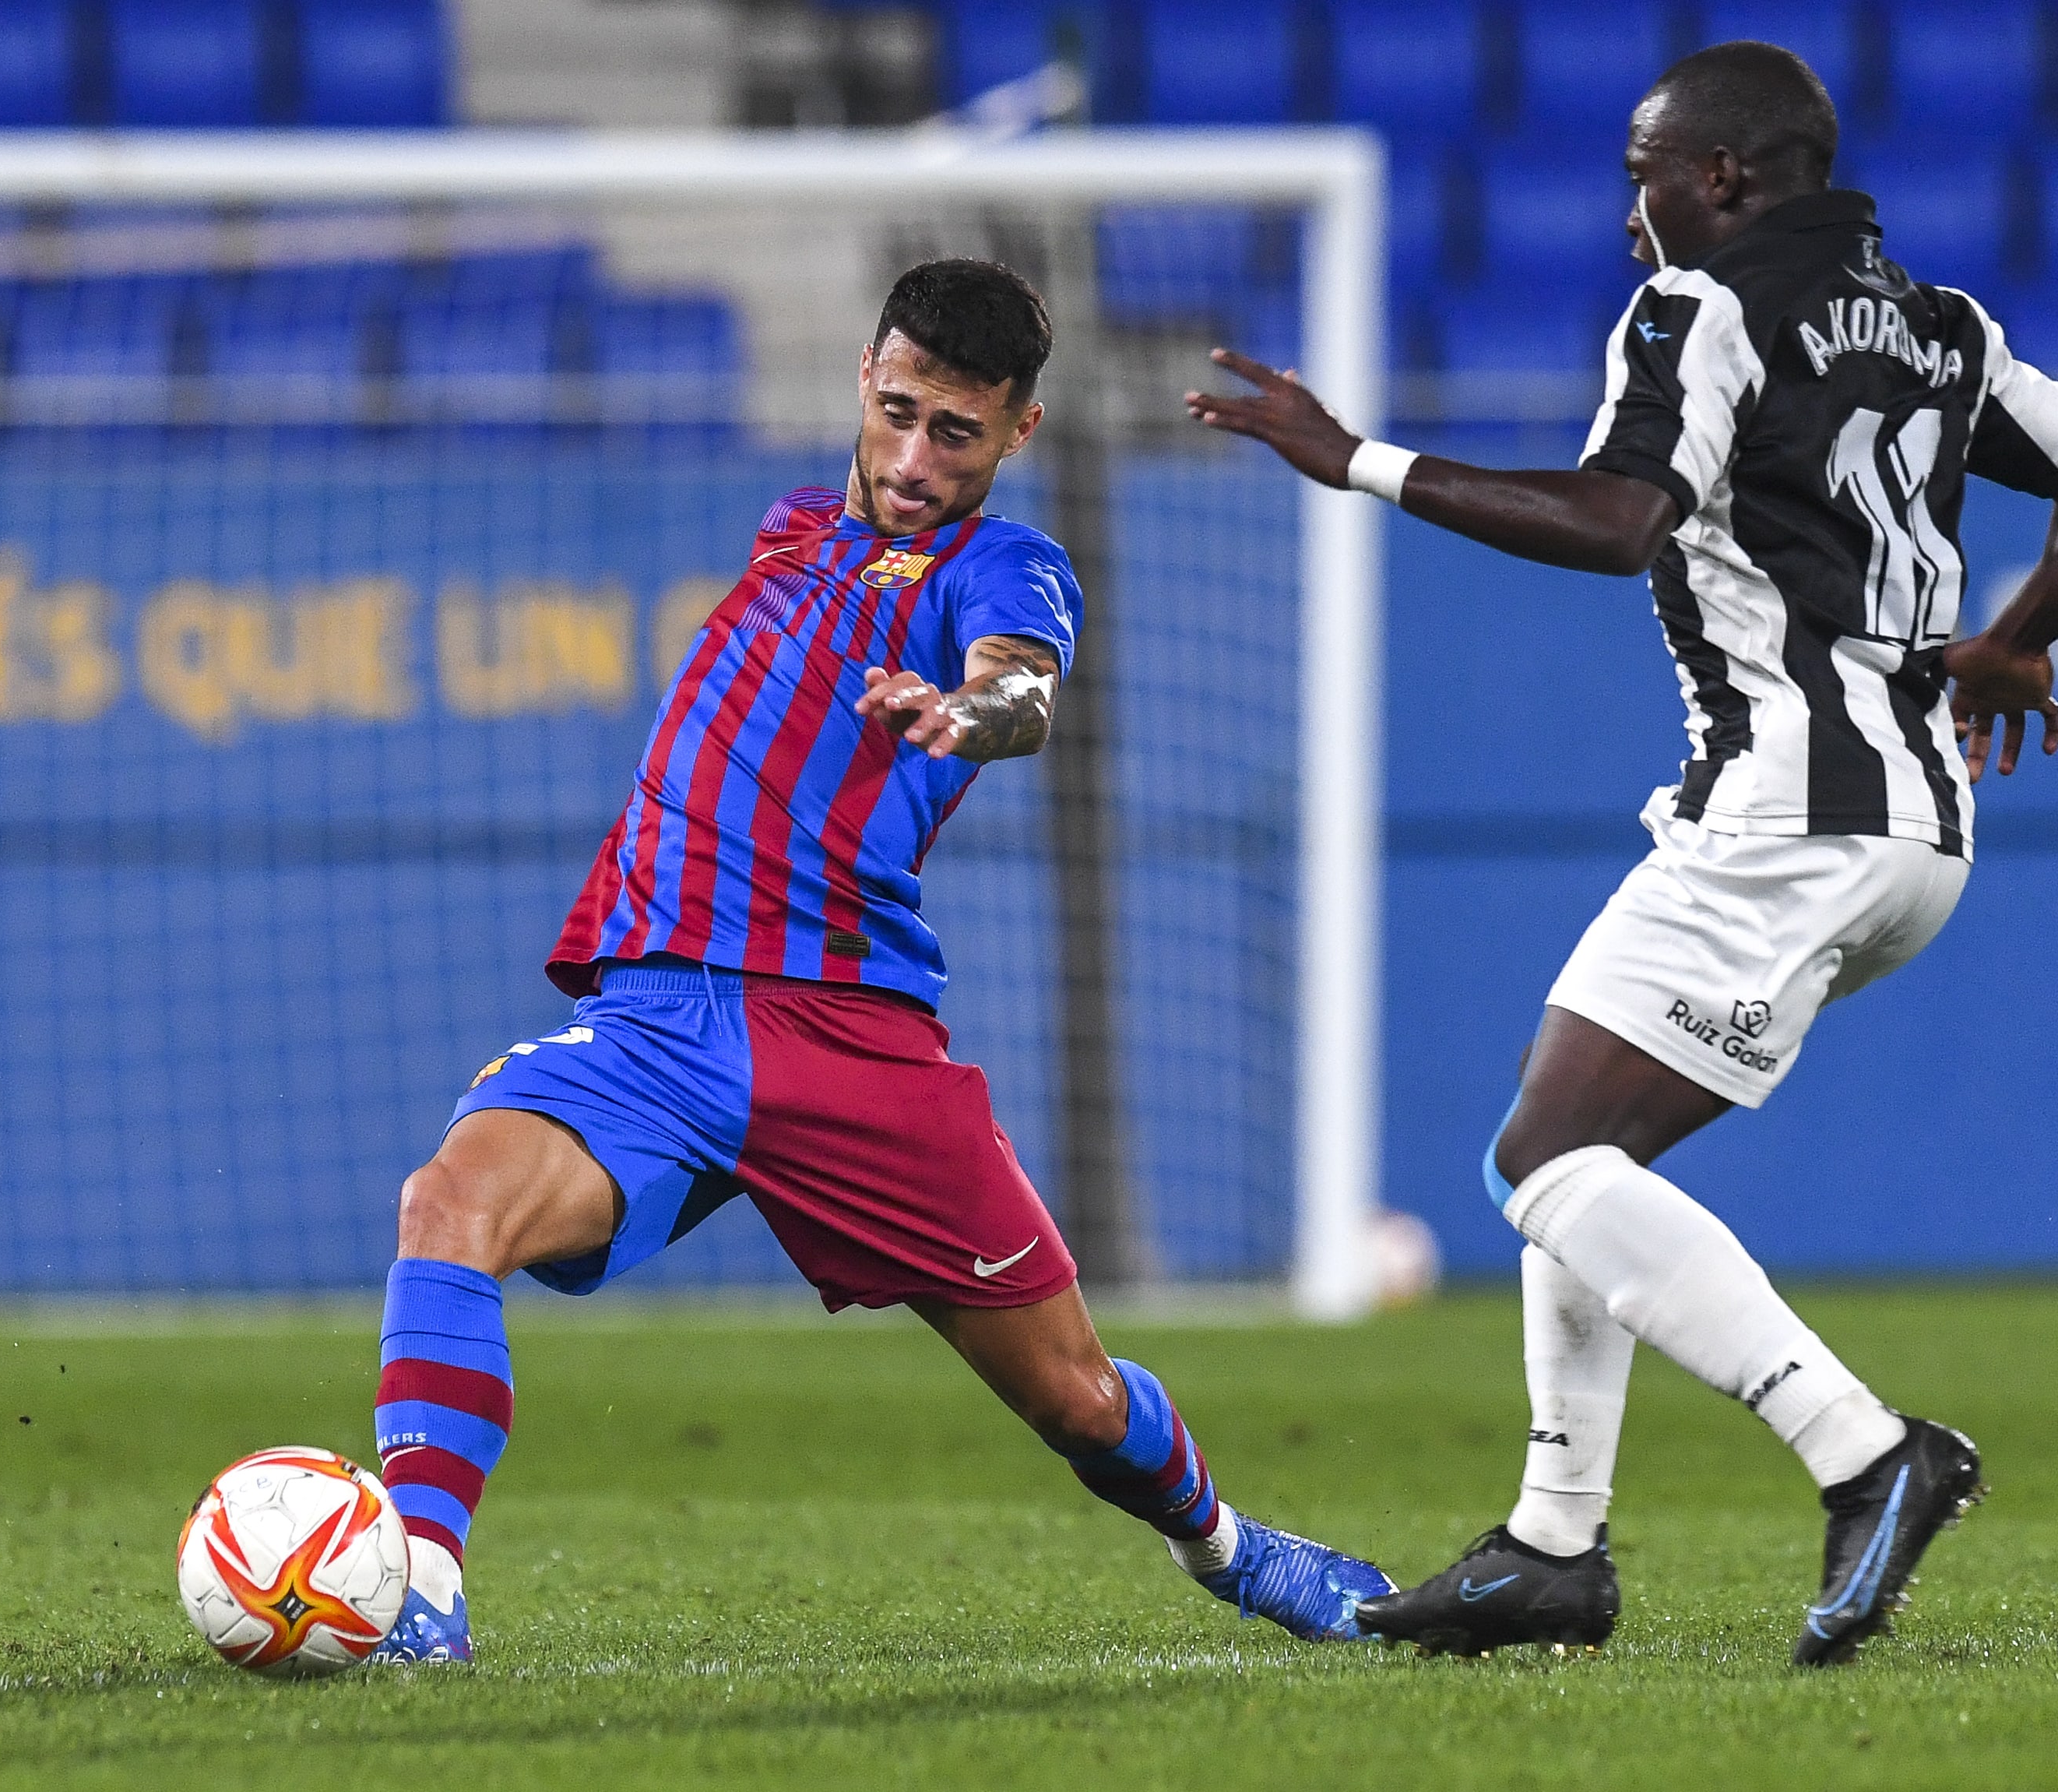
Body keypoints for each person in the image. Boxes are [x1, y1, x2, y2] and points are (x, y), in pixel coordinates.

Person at [1189, 41, 2058, 1666]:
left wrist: (1348, 455)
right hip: (1915, 825)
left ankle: (1861, 1450)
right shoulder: (1938, 327)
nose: (1629, 208)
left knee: (1539, 1164)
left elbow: (1612, 521)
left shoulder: (1695, 312)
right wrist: (2010, 639)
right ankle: (1549, 1545)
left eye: (1644, 174)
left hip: (1788, 808)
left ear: (1717, 176)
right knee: (1566, 1125)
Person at [367, 258, 1395, 1664]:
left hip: (847, 1045)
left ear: (1017, 434)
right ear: (866, 372)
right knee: (450, 1201)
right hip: (659, 1019)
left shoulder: (1005, 565)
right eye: (901, 411)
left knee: (1080, 1400)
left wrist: (970, 714)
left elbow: (1024, 684)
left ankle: (1233, 1548)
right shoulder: (791, 527)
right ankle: (419, 1593)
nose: (916, 460)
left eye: (956, 433)